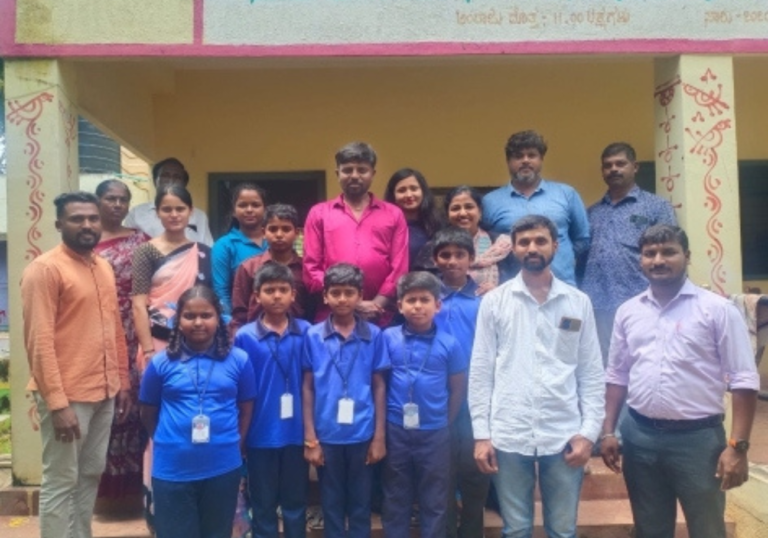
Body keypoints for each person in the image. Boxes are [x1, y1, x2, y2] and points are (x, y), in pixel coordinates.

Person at [600, 224, 759, 538]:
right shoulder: (628, 312)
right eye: (650, 253)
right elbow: (617, 375)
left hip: (697, 442)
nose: (658, 260)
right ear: (641, 260)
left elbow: (743, 379)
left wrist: (738, 447)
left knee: (707, 529)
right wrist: (608, 431)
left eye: (668, 252)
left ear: (686, 256)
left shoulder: (717, 310)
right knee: (649, 528)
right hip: (639, 437)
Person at [469, 215, 604, 538]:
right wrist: (482, 435)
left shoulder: (577, 302)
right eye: (524, 242)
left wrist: (589, 433)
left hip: (564, 432)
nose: (532, 247)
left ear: (555, 246)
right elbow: (481, 370)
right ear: (514, 249)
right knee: (516, 529)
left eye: (540, 241)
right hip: (509, 432)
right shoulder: (495, 301)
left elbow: (591, 372)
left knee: (563, 530)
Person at [22, 191, 131, 538]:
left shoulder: (103, 266)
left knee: (90, 474)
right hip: (68, 396)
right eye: (77, 219)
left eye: (92, 218)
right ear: (59, 224)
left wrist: (122, 379)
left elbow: (114, 327)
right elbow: (39, 342)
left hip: (104, 391)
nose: (87, 225)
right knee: (60, 479)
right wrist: (57, 403)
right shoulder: (45, 270)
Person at [139, 285, 256, 538]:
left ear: (219, 318)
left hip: (223, 466)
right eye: (189, 316)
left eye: (206, 315)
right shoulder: (160, 363)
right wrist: (171, 442)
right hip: (172, 469)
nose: (198, 322)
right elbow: (148, 412)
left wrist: (236, 444)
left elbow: (246, 410)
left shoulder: (239, 360)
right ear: (178, 320)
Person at [302, 263, 390, 538]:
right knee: (331, 503)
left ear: (360, 296)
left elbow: (379, 386)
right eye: (335, 293)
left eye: (349, 293)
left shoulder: (374, 335)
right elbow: (307, 388)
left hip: (362, 434)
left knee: (361, 504)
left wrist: (379, 437)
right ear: (325, 296)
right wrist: (311, 439)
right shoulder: (313, 335)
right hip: (326, 434)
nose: (342, 299)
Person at [381, 271, 466, 538]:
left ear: (437, 305)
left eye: (425, 300)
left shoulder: (450, 344)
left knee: (435, 497)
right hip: (396, 429)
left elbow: (457, 389)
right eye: (411, 300)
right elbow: (380, 383)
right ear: (400, 305)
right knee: (396, 494)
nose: (418, 306)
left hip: (435, 432)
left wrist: (444, 421)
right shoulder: (388, 338)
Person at [580, 142, 677, 362]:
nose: (614, 169)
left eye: (620, 163)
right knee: (605, 362)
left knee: (645, 359)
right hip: (598, 302)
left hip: (641, 299)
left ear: (635, 167)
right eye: (608, 165)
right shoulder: (592, 212)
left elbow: (670, 253)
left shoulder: (656, 207)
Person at [234, 262, 310, 538]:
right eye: (269, 290)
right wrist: (241, 435)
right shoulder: (245, 337)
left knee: (295, 503)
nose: (277, 296)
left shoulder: (306, 332)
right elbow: (241, 391)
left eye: (283, 289)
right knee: (263, 505)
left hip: (297, 434)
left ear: (293, 294)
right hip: (260, 434)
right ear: (256, 295)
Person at [303, 142, 409, 326]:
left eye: (362, 170)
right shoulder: (319, 213)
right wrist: (349, 302)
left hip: (381, 316)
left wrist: (378, 303)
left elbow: (400, 267)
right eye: (347, 170)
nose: (354, 175)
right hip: (332, 316)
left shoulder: (393, 214)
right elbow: (311, 268)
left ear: (372, 173)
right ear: (337, 173)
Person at [430, 227, 490, 538]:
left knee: (474, 471)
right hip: (434, 398)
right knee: (441, 473)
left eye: (460, 255)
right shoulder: (427, 299)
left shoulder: (486, 300)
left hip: (474, 399)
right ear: (435, 259)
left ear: (471, 258)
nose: (452, 261)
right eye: (445, 255)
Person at [93, 179, 150, 503]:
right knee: (107, 403)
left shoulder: (140, 240)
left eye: (122, 199)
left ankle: (136, 487)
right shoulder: (85, 241)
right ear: (98, 201)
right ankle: (104, 489)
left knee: (138, 400)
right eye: (110, 198)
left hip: (136, 329)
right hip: (98, 331)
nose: (117, 205)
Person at [481, 131, 590, 285]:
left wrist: (560, 259)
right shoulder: (490, 201)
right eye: (518, 156)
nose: (525, 160)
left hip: (562, 285)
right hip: (511, 289)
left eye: (532, 155)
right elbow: (483, 243)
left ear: (541, 159)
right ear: (508, 161)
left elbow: (582, 239)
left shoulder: (566, 194)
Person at [132, 184, 213, 365]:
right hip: (158, 338)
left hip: (197, 339)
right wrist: (148, 350)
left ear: (191, 211)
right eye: (167, 209)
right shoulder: (146, 251)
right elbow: (138, 304)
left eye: (180, 209)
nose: (174, 215)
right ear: (157, 213)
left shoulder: (203, 252)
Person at [231, 204, 311, 330]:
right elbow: (239, 313)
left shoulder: (306, 269)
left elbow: (312, 310)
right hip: (256, 337)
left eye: (286, 229)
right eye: (273, 229)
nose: (279, 234)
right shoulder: (249, 268)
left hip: (298, 337)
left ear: (296, 233)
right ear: (263, 232)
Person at [124, 157, 213, 245]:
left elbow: (207, 248)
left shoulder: (199, 216)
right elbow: (127, 247)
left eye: (177, 177)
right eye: (165, 175)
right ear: (155, 181)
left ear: (184, 183)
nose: (171, 181)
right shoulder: (136, 214)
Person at [212, 183, 269, 314]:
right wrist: (230, 321)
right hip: (240, 320)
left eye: (255, 205)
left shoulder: (275, 241)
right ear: (234, 211)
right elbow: (221, 291)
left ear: (265, 209)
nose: (249, 210)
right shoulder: (224, 245)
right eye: (242, 205)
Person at [444, 185, 511, 293]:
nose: (463, 213)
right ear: (447, 214)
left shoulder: (501, 245)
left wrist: (497, 292)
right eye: (456, 208)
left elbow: (514, 281)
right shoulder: (436, 247)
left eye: (469, 207)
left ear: (480, 212)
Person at [384, 168, 443, 271]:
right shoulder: (385, 226)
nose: (409, 195)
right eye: (402, 190)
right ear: (393, 195)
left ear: (423, 191)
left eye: (414, 189)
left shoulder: (439, 223)